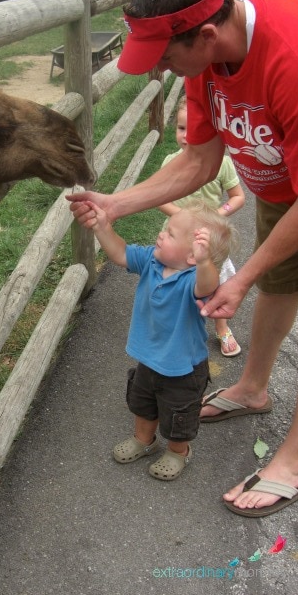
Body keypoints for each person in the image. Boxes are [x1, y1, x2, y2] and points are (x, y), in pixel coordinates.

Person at [66, 0, 298, 516]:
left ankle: (293, 458)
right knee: (281, 279)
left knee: (258, 277)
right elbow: (199, 158)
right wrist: (115, 203)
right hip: (280, 177)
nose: (164, 69)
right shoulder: (205, 62)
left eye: (167, 55)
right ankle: (251, 388)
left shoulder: (290, 59)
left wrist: (237, 276)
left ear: (207, 34)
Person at [77, 199, 235, 481]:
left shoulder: (192, 280)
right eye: (166, 228)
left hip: (183, 369)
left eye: (171, 234)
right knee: (143, 402)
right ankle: (144, 440)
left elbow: (207, 285)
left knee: (179, 416)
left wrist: (205, 262)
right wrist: (102, 227)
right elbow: (121, 253)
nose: (161, 234)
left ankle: (178, 451)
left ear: (192, 257)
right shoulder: (151, 260)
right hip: (149, 360)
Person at [159, 95, 245, 356]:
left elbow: (238, 197)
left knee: (215, 282)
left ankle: (221, 326)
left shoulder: (223, 163)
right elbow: (161, 198)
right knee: (173, 281)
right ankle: (176, 329)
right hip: (176, 239)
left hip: (209, 239)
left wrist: (217, 215)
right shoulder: (170, 163)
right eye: (181, 128)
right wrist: (185, 220)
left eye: (194, 129)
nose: (186, 136)